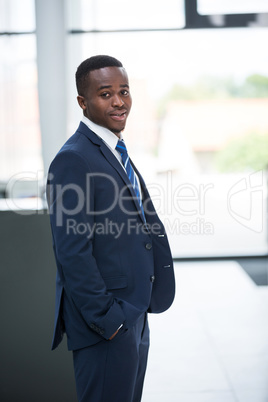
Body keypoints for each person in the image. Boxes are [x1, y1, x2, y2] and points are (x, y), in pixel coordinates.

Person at [46, 55, 175, 402]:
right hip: (106, 324)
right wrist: (109, 320)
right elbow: (72, 251)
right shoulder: (74, 158)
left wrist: (131, 316)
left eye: (124, 91)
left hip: (132, 313)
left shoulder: (113, 149)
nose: (119, 102)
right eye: (105, 94)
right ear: (83, 102)